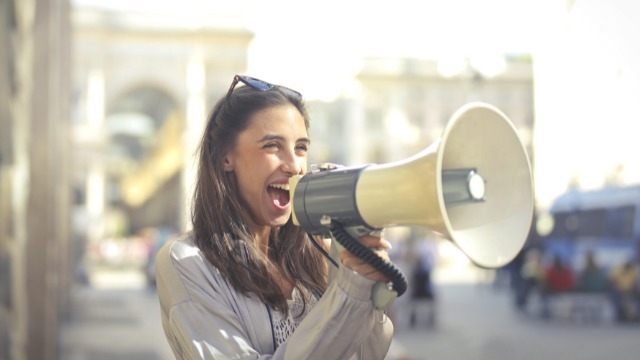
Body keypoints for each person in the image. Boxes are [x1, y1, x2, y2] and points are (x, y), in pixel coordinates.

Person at [154, 75, 394, 359]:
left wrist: (367, 288)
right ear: (225, 158)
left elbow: (366, 354)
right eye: (272, 146)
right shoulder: (186, 261)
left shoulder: (319, 252)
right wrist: (348, 294)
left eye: (301, 148)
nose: (294, 166)